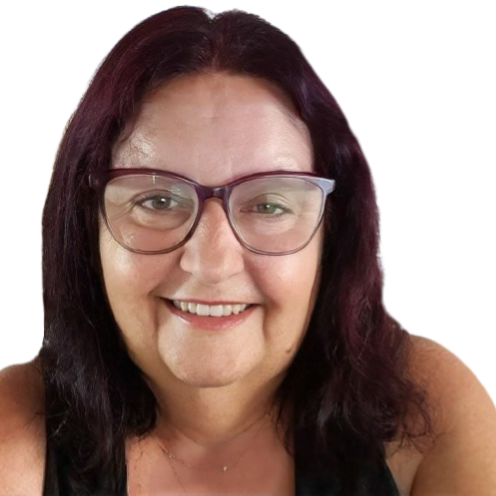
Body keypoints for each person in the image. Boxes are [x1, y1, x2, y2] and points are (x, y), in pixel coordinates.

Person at [1, 5, 495, 495]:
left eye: (269, 205)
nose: (212, 265)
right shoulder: (10, 434)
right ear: (88, 225)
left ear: (333, 231)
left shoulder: (430, 408)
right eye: (157, 200)